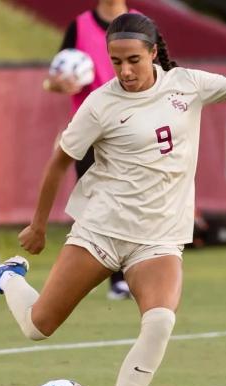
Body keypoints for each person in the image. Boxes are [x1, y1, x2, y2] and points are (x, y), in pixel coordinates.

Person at [0, 13, 226, 386]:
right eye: (115, 61)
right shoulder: (100, 104)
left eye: (133, 61)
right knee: (37, 326)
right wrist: (38, 225)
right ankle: (7, 276)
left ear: (153, 53)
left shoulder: (187, 85)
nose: (124, 71)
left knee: (160, 321)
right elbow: (58, 163)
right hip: (101, 232)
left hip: (158, 239)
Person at [43, 0, 135, 300]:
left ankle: (134, 272)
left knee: (132, 203)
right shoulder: (79, 26)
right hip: (89, 132)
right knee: (99, 207)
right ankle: (117, 279)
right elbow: (54, 80)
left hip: (133, 129)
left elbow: (163, 70)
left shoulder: (140, 25)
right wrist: (61, 84)